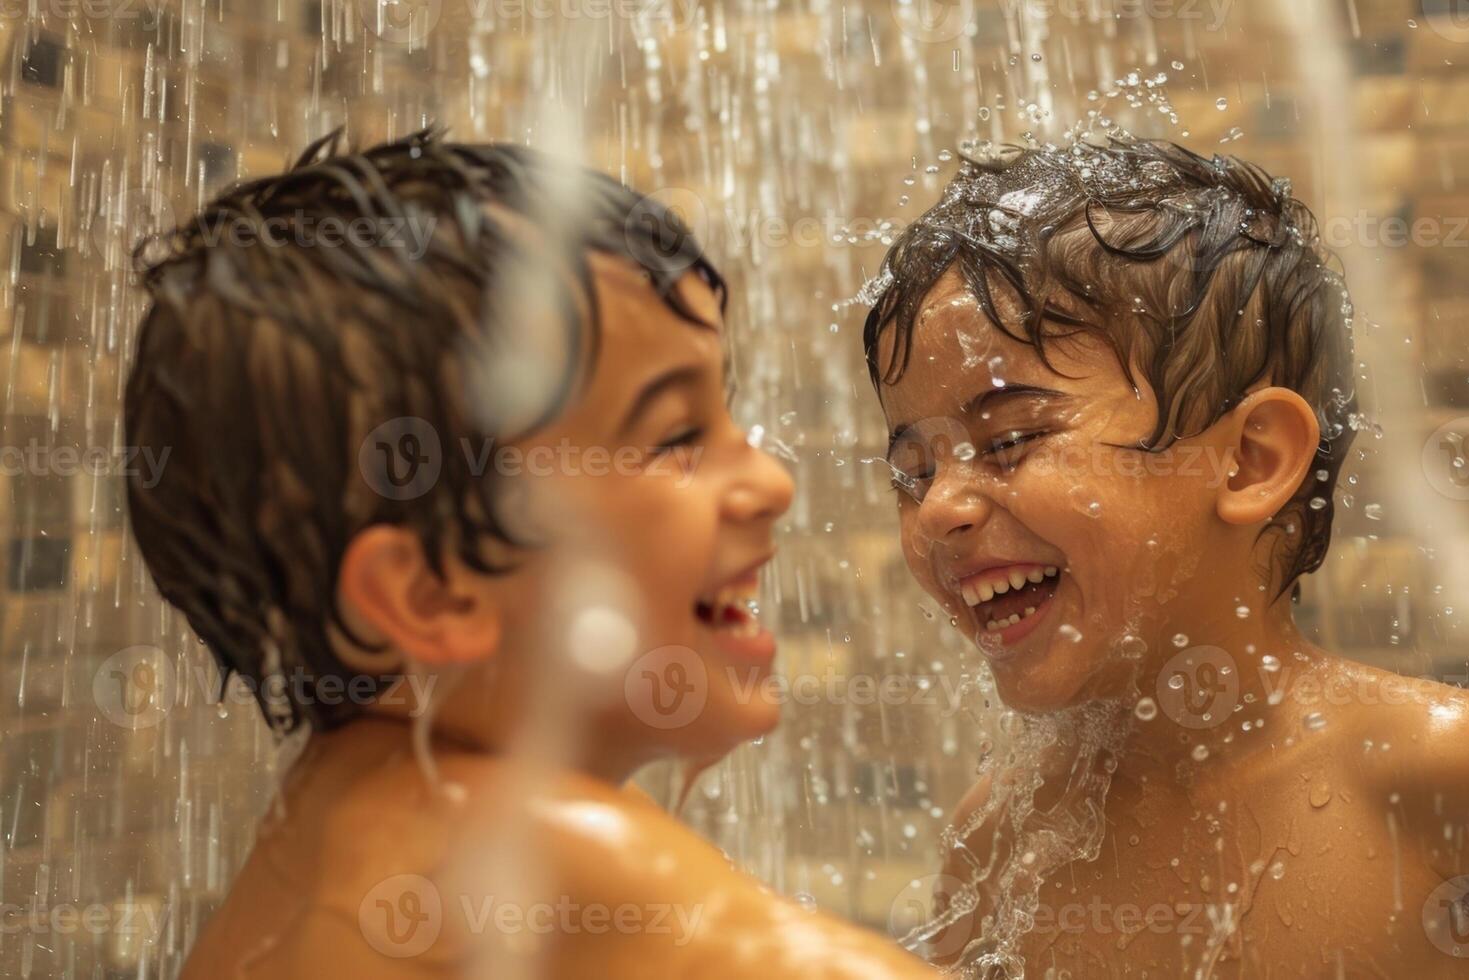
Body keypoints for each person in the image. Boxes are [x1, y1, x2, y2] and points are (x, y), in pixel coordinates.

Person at [864, 135, 1469, 978]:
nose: (941, 507)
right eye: (912, 469)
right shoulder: (1002, 834)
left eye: (1012, 438)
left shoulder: (1446, 771)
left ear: (1248, 460)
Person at [125, 127, 936, 979]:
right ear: (431, 596)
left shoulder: (318, 822)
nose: (770, 482)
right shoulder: (556, 863)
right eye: (676, 434)